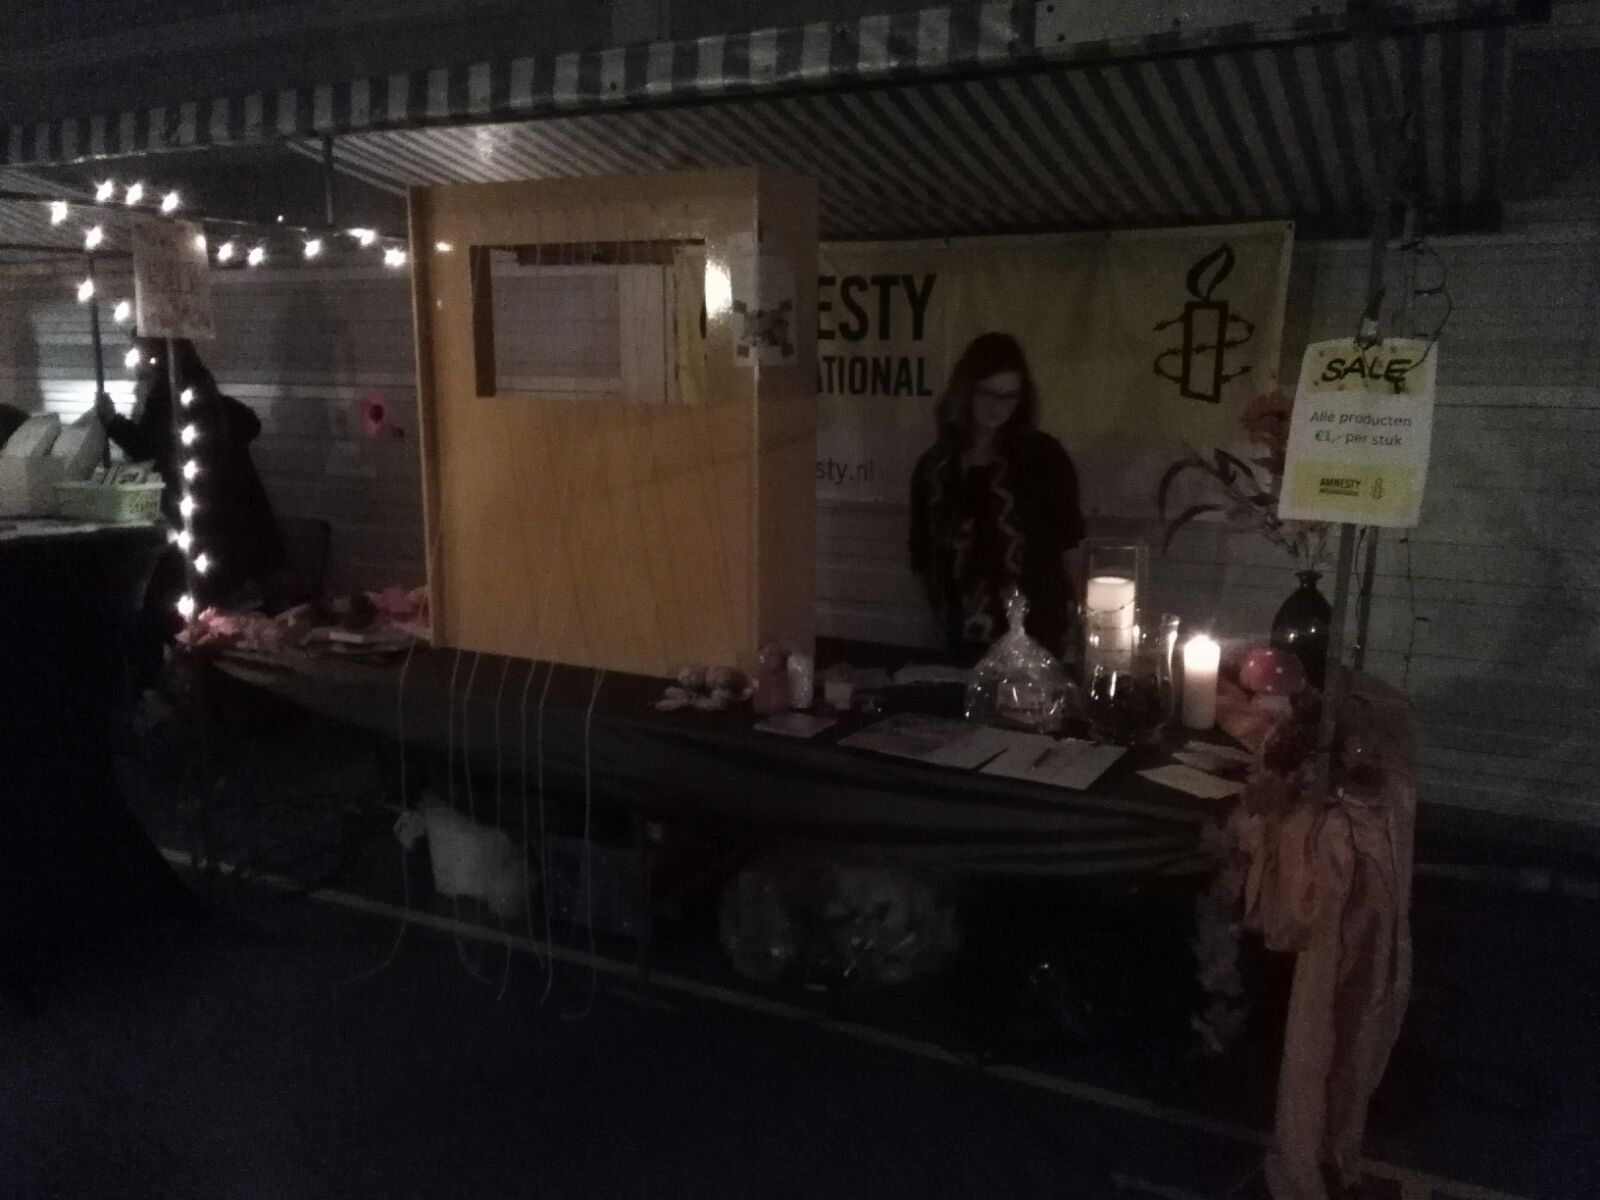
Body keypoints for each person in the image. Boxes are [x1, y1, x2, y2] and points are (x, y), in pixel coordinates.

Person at [909, 332, 1085, 661]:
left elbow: (1069, 546)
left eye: (1009, 396)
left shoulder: (1043, 457)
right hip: (959, 638)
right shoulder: (934, 468)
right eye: (988, 393)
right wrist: (927, 618)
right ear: (966, 390)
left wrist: (1081, 619)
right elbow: (920, 555)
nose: (997, 406)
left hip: (1036, 640)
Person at [96, 336, 286, 620]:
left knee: (170, 604)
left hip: (207, 527)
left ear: (156, 358)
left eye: (140, 353)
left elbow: (146, 445)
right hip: (238, 527)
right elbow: (247, 422)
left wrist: (112, 421)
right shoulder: (203, 393)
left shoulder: (169, 400)